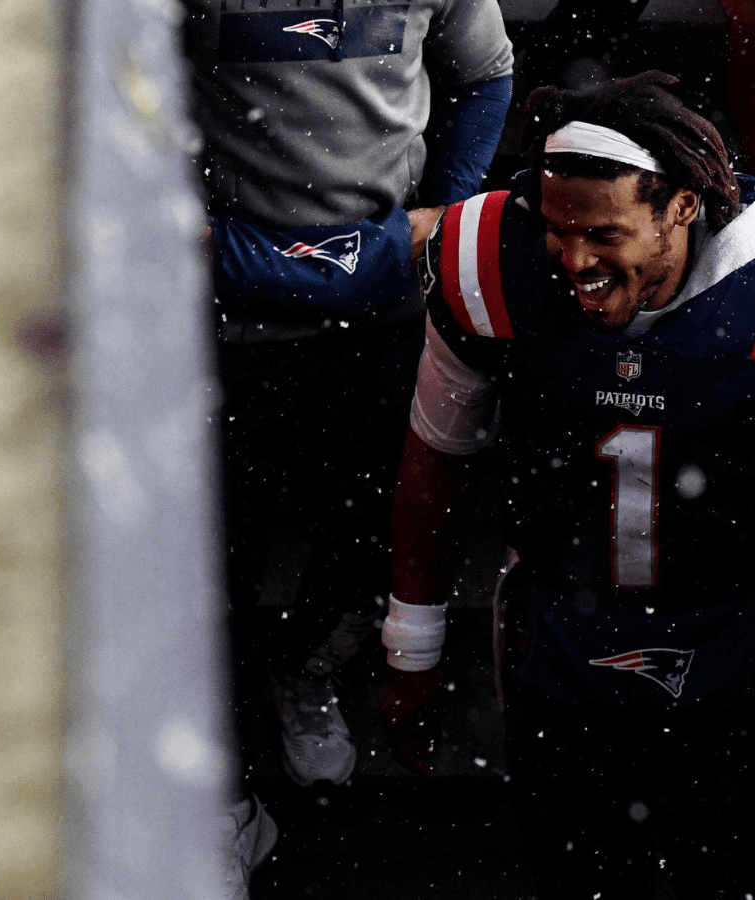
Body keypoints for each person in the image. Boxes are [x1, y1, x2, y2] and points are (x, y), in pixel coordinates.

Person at [380, 71, 755, 899]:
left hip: (731, 635)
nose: (573, 259)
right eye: (556, 230)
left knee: (740, 875)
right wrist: (414, 642)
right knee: (574, 871)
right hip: (557, 631)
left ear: (684, 207)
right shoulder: (489, 259)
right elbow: (439, 450)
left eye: (602, 234)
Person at [182, 0, 512, 893]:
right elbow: (122, 104)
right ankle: (217, 769)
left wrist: (441, 215)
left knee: (370, 521)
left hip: (378, 313)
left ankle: (306, 666)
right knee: (213, 552)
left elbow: (484, 77)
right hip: (223, 311)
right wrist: (206, 241)